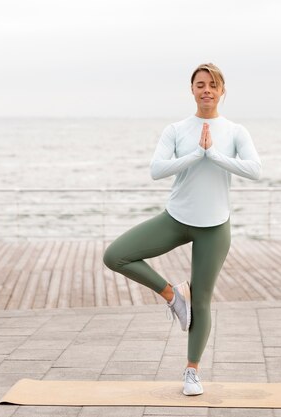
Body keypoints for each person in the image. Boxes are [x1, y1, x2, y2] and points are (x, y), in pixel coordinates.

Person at [103, 63, 261, 396]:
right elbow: (157, 170)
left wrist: (213, 154)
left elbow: (254, 170)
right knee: (115, 255)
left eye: (213, 85)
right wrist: (195, 154)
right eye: (200, 84)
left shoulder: (235, 131)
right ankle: (173, 296)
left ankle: (192, 372)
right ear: (192, 90)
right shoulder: (176, 129)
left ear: (222, 91)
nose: (207, 90)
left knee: (202, 301)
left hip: (215, 226)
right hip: (176, 218)